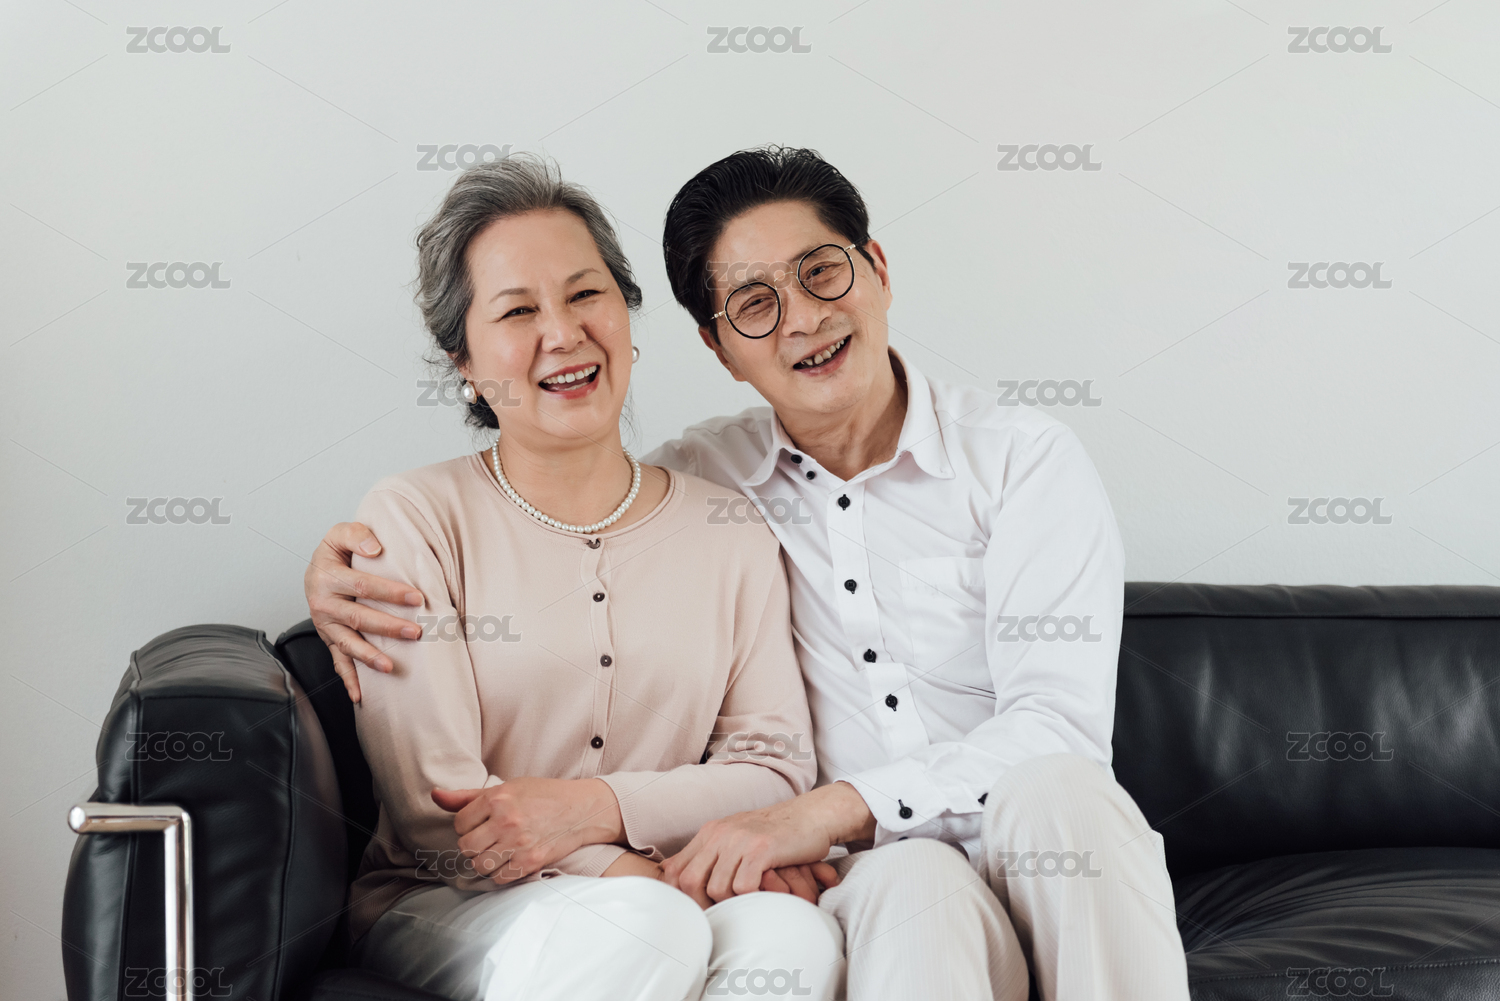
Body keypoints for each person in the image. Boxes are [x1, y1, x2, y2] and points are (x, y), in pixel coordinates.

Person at [310, 147, 1191, 1001]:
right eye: (755, 303)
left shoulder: (1020, 460)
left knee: (1062, 789)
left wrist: (815, 812)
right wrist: (338, 572)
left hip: (1034, 843)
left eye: (822, 272)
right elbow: (575, 500)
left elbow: (1056, 726)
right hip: (874, 874)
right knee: (902, 885)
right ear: (719, 346)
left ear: (878, 269)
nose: (802, 318)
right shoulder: (712, 485)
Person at [339, 154, 844, 1001]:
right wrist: (640, 875)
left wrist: (611, 821)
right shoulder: (414, 518)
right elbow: (437, 805)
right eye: (518, 310)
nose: (564, 332)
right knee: (644, 924)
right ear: (464, 359)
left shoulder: (728, 527)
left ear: (626, 313)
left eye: (585, 294)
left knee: (792, 935)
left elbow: (774, 766)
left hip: (664, 888)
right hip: (454, 900)